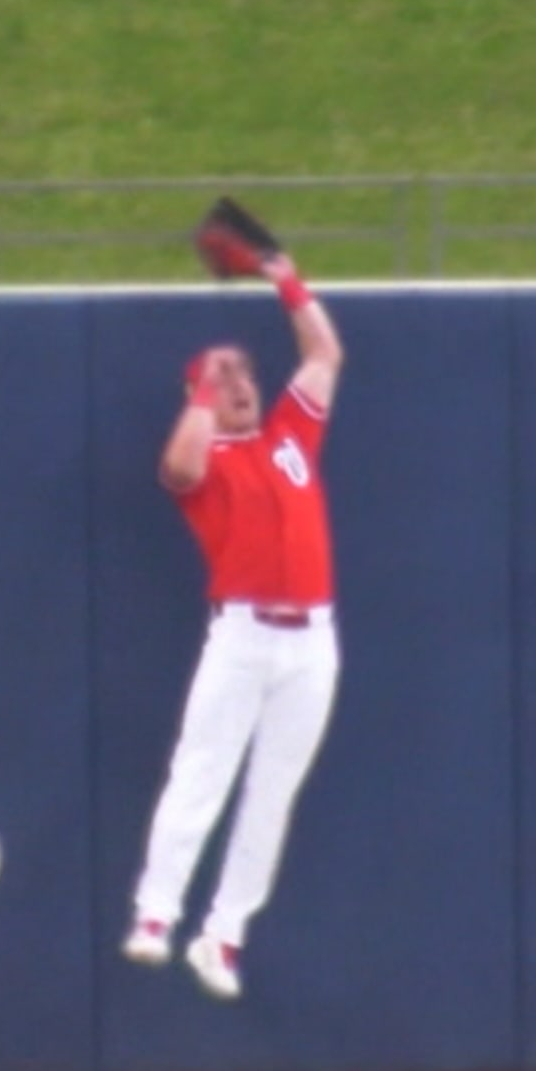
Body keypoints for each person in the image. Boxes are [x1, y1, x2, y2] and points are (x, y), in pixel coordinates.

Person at [122, 240, 346, 1002]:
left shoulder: (289, 437)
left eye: (244, 373)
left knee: (272, 793)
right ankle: (156, 916)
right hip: (244, 635)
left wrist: (286, 278)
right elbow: (177, 469)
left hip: (313, 640)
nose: (240, 383)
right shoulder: (207, 457)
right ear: (200, 396)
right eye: (225, 377)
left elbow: (325, 355)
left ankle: (223, 935)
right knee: (201, 776)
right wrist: (201, 396)